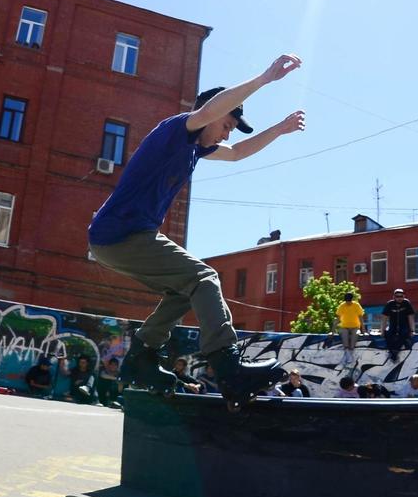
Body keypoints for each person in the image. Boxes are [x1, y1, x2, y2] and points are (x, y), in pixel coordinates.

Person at [87, 54, 305, 394]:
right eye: (225, 126)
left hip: (120, 238)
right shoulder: (176, 130)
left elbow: (235, 154)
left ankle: (142, 356)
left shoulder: (196, 150)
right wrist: (263, 79)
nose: (224, 135)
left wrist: (280, 129)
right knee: (204, 278)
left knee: (185, 291)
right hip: (121, 234)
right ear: (212, 116)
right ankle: (227, 365)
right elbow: (206, 114)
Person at [381, 288, 417, 363]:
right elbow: (384, 318)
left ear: (404, 296)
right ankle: (392, 351)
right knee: (388, 334)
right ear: (394, 297)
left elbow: (410, 317)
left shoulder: (406, 303)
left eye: (401, 296)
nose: (400, 298)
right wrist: (382, 331)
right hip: (393, 325)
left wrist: (412, 330)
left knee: (404, 333)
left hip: (404, 325)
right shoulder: (390, 304)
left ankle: (395, 353)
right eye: (397, 296)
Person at [335, 291, 363, 367]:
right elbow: (337, 319)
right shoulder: (342, 306)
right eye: (347, 301)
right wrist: (332, 331)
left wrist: (363, 330)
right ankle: (347, 351)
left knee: (356, 334)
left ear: (352, 300)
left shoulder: (356, 305)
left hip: (355, 327)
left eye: (349, 301)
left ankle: (349, 353)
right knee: (344, 334)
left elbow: (360, 317)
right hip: (344, 326)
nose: (348, 303)